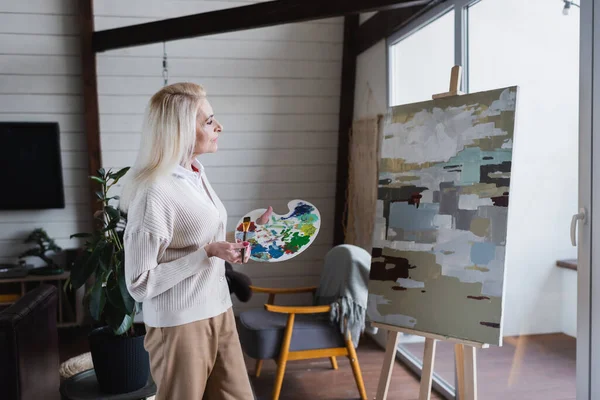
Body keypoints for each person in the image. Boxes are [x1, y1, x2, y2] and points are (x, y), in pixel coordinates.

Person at [119, 82, 271, 399]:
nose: (219, 127)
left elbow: (204, 239)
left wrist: (246, 233)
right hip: (180, 324)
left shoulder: (195, 172)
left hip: (219, 310)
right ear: (181, 130)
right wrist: (207, 253)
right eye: (207, 121)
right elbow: (138, 283)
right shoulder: (153, 192)